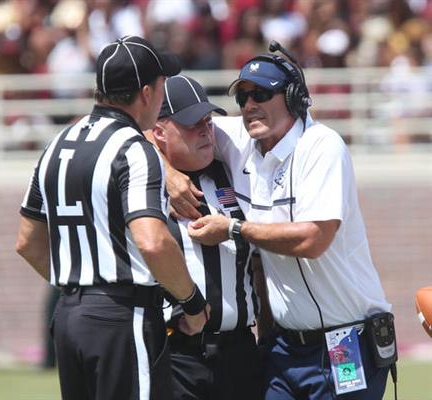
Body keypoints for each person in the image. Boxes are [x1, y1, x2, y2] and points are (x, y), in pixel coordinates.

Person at [168, 44, 394, 399]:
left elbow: (313, 240)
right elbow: (152, 130)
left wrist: (232, 229)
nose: (249, 105)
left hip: (345, 340)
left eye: (261, 93)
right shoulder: (240, 136)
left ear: (293, 98)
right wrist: (166, 172)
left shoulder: (322, 146)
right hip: (284, 347)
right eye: (242, 98)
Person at [16, 35, 209, 400]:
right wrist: (193, 303)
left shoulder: (57, 143)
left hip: (70, 316)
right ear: (148, 93)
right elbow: (151, 241)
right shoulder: (134, 148)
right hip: (123, 316)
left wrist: (82, 288)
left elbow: (27, 241)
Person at [147, 75, 270, 400]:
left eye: (207, 121)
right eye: (191, 125)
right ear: (159, 132)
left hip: (241, 351)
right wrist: (166, 173)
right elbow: (118, 133)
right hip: (177, 355)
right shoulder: (143, 184)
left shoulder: (229, 166)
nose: (205, 131)